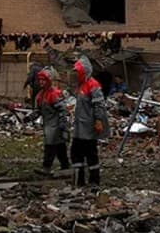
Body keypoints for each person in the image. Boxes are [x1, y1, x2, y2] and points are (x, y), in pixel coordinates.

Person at [69, 59, 108, 187]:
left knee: (91, 154)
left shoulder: (93, 85)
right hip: (80, 127)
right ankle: (79, 180)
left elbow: (99, 104)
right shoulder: (81, 85)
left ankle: (94, 181)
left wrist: (98, 120)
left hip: (89, 127)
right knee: (76, 153)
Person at [32, 66, 69, 173]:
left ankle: (46, 166)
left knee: (50, 146)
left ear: (49, 81)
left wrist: (62, 123)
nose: (41, 82)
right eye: (40, 80)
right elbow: (39, 110)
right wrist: (32, 116)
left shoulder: (54, 94)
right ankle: (65, 165)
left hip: (56, 125)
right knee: (60, 146)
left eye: (43, 80)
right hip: (48, 125)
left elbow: (62, 110)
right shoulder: (40, 95)